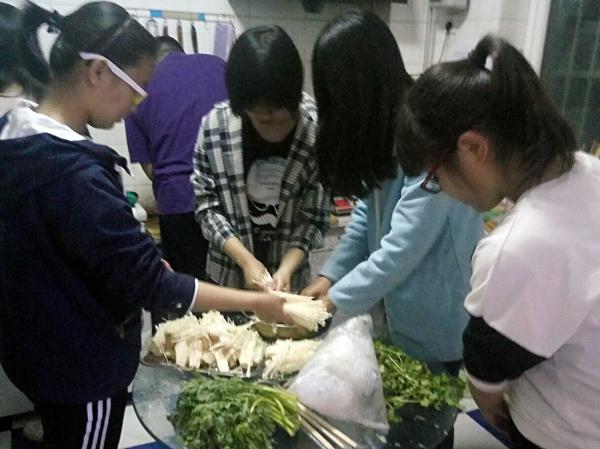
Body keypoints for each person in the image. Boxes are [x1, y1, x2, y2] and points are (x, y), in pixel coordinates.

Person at [0, 3, 289, 449]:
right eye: (138, 90)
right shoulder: (74, 172)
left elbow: (68, 254)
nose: (138, 106)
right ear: (98, 71)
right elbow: (155, 287)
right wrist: (259, 303)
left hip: (37, 353)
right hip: (84, 372)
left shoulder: (15, 133)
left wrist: (135, 261)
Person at [396, 34, 600, 449]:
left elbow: (487, 371)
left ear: (473, 148)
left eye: (434, 176)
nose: (441, 190)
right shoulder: (586, 169)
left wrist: (490, 404)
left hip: (565, 432)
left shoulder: (517, 247)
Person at [301, 11, 483, 448]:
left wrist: (331, 302)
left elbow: (401, 248)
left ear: (358, 88)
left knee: (430, 424)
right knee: (400, 422)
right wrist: (329, 277)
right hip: (400, 314)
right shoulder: (387, 125)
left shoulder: (429, 132)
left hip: (438, 315)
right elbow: (368, 215)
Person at [193, 25, 330, 292]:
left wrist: (286, 269)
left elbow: (314, 217)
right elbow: (206, 207)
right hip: (227, 278)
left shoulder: (315, 130)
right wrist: (246, 261)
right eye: (257, 113)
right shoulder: (215, 127)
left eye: (277, 111)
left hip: (290, 282)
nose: (267, 118)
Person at [125, 35, 227, 281]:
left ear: (151, 60)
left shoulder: (138, 85)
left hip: (178, 203)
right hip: (228, 198)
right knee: (236, 288)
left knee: (191, 291)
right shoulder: (218, 65)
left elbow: (150, 169)